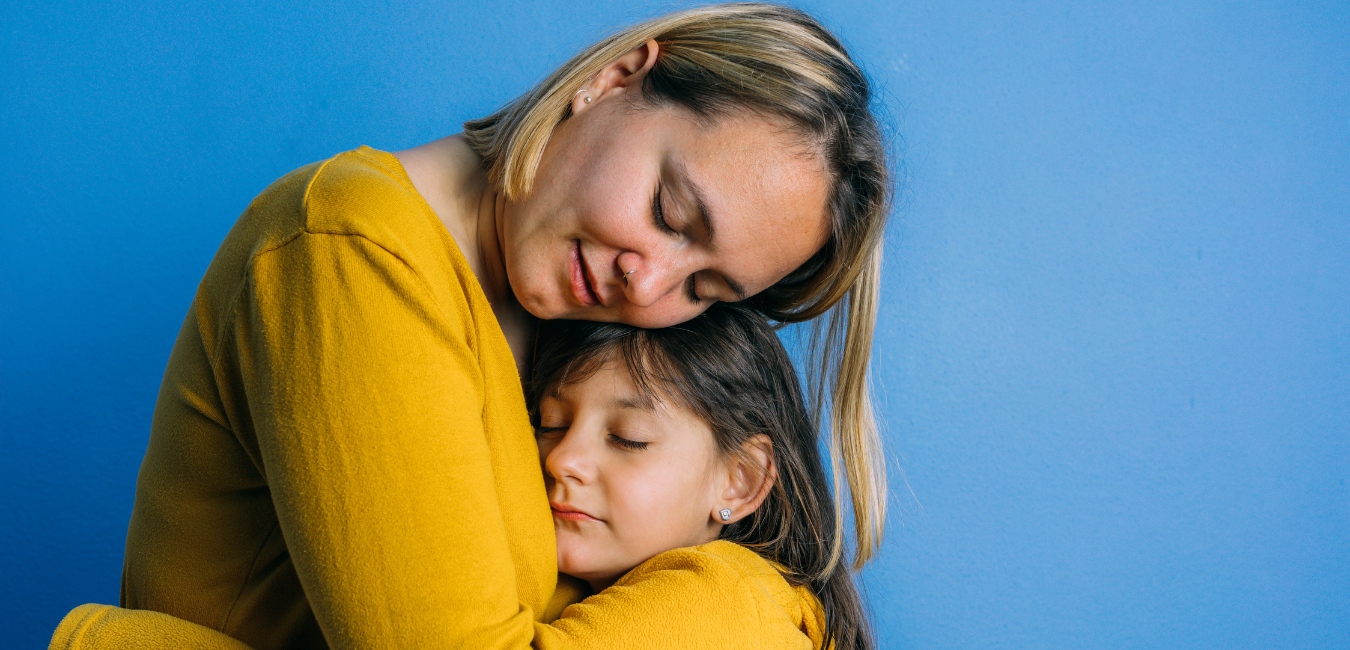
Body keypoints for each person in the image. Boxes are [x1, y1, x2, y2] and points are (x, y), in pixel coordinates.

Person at [49, 4, 891, 649]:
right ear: (616, 78)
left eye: (706, 286)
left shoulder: (558, 328)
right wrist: (745, 602)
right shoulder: (355, 248)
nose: (651, 279)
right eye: (669, 210)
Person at [52, 305, 875, 650]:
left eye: (627, 438)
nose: (563, 459)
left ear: (741, 481)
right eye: (547, 424)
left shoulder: (733, 598)